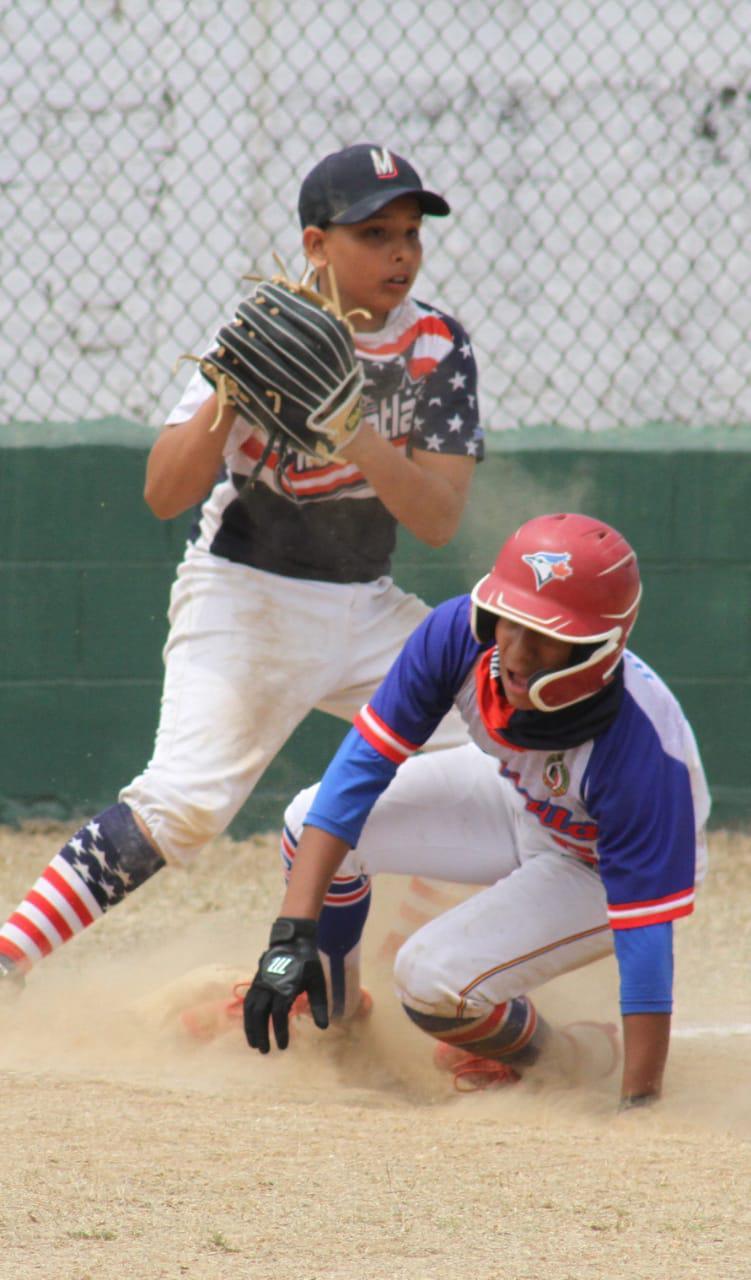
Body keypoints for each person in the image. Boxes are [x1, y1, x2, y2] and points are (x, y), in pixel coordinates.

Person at [0, 143, 482, 987]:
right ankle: (10, 958)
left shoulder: (437, 345)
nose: (401, 252)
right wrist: (229, 386)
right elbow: (162, 492)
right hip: (245, 593)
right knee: (181, 806)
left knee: (495, 747)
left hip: (367, 606)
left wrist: (354, 433)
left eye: (410, 231)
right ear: (315, 244)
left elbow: (438, 519)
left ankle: (411, 968)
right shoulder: (259, 333)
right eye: (374, 233)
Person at [242, 513, 710, 1110]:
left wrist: (640, 1105)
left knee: (431, 982)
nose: (514, 650)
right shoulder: (458, 636)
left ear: (599, 646)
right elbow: (355, 776)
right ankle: (334, 1021)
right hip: (520, 797)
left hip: (594, 867)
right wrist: (289, 937)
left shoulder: (645, 754)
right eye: (508, 620)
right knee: (308, 821)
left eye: (544, 633)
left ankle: (569, 1056)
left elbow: (646, 942)